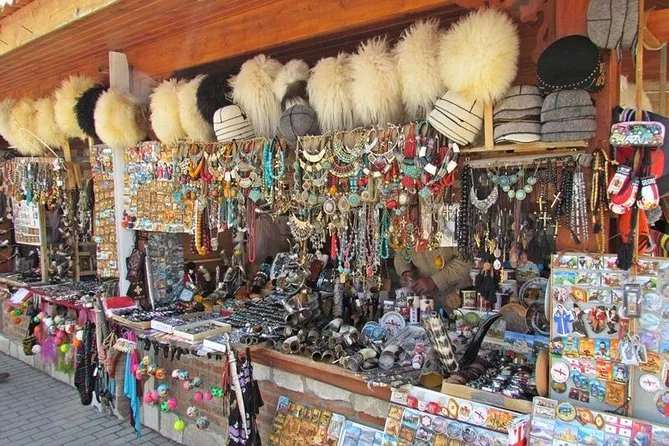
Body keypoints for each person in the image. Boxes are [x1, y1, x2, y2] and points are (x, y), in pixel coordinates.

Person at [394, 246, 470, 307]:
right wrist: (405, 271)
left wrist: (435, 280)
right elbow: (401, 254)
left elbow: (466, 260)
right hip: (424, 300)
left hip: (457, 295)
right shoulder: (409, 232)